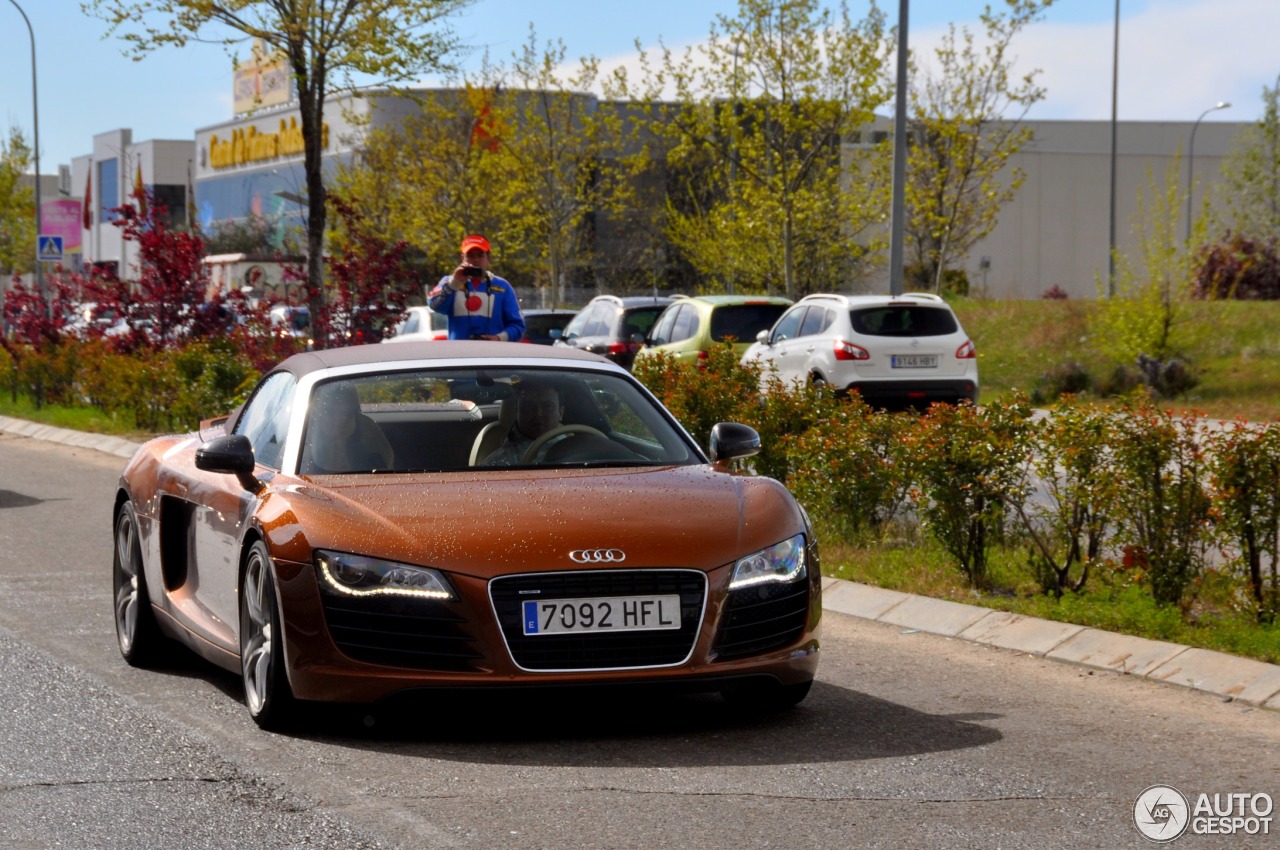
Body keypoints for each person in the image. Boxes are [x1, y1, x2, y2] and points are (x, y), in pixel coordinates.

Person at [427, 234, 525, 341]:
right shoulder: (450, 282)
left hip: (493, 354)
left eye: (480, 255)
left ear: (489, 258)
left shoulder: (502, 286)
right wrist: (455, 283)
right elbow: (434, 305)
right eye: (470, 256)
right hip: (460, 354)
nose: (476, 260)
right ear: (462, 258)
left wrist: (498, 338)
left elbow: (518, 326)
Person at [300, 382, 395, 474]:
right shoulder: (301, 460)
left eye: (347, 414)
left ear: (356, 420)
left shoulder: (372, 462)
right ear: (316, 418)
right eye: (330, 412)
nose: (340, 420)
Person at [482, 381, 566, 467]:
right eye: (528, 406)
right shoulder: (498, 463)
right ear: (516, 412)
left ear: (561, 413)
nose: (538, 414)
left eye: (548, 406)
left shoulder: (576, 450)